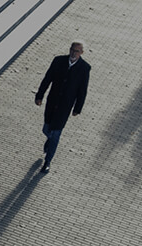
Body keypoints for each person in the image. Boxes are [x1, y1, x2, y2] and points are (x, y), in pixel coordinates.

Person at [35, 41, 90, 174]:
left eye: (77, 51)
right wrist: (40, 95)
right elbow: (47, 78)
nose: (73, 53)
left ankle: (48, 162)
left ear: (81, 53)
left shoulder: (84, 68)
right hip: (52, 102)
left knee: (56, 134)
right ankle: (49, 141)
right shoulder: (58, 60)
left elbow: (82, 90)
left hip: (65, 107)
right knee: (46, 129)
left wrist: (78, 108)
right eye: (72, 50)